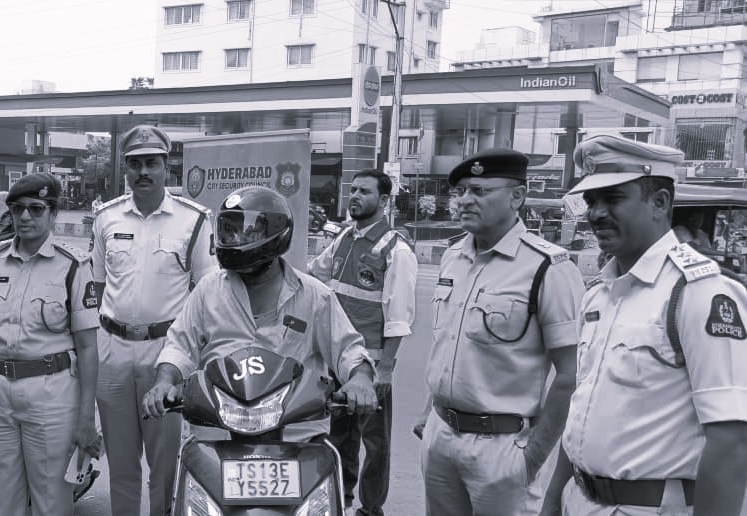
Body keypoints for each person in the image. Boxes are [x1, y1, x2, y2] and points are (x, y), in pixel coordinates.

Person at [542, 134, 747, 515]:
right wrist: (553, 499)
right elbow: (582, 411)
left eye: (613, 198)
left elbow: (731, 440)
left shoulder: (699, 293)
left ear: (660, 203)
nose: (596, 213)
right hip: (580, 501)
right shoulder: (598, 294)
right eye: (591, 201)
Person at [420, 148, 585, 515]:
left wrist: (532, 457)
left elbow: (571, 374)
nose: (465, 200)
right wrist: (429, 411)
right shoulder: (453, 257)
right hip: (440, 435)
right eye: (462, 191)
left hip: (502, 446)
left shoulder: (548, 268)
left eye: (480, 191)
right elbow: (447, 343)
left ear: (517, 196)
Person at [142, 186, 380, 440]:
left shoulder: (315, 296)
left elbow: (348, 350)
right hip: (217, 436)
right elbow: (179, 345)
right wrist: (164, 380)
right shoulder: (207, 290)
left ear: (277, 232)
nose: (234, 238)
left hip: (297, 440)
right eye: (229, 230)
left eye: (247, 230)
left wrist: (361, 379)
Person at [0, 173, 101, 516]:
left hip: (51, 396)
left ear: (53, 213)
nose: (25, 216)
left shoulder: (73, 266)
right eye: (18, 209)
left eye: (36, 208)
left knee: (51, 501)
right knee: (1, 501)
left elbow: (88, 348)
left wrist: (86, 418)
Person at [90, 124, 218, 516]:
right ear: (126, 169)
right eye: (135, 164)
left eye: (152, 163)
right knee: (120, 461)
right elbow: (98, 286)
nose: (143, 171)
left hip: (167, 355)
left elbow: (208, 294)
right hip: (112, 352)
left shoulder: (193, 220)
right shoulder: (106, 218)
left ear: (166, 167)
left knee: (163, 464)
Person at [308, 169, 417, 516]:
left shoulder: (396, 250)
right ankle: (341, 497)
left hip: (370, 365)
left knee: (375, 442)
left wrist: (385, 369)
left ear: (384, 201)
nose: (354, 196)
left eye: (364, 192)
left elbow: (399, 316)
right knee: (339, 435)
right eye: (353, 190)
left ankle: (371, 509)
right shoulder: (344, 237)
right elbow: (314, 275)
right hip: (338, 359)